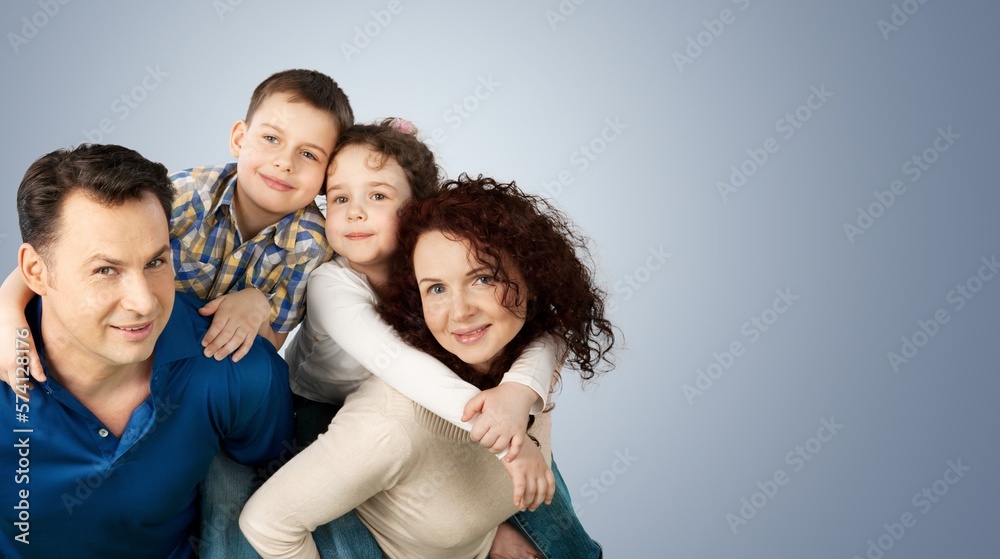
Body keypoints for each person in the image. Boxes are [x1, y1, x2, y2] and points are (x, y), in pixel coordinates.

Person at [240, 174, 616, 558]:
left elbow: (553, 337)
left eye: (483, 278)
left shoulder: (527, 359)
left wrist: (485, 539)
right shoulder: (391, 426)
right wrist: (508, 442)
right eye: (436, 288)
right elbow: (266, 522)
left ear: (533, 275)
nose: (460, 311)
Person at [0, 144, 295, 559]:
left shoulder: (236, 369)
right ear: (35, 272)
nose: (144, 303)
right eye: (106, 270)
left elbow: (278, 480)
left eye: (156, 263)